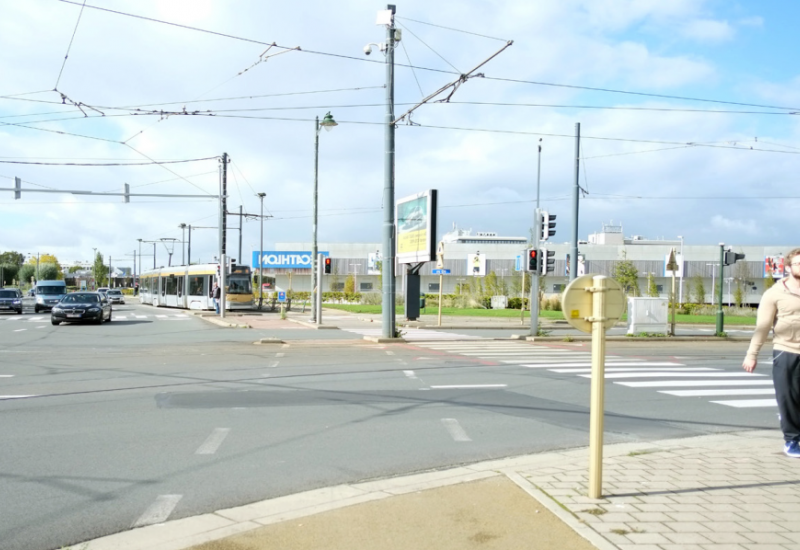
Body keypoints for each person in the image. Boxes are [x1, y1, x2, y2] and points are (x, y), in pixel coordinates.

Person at [743, 247, 800, 458]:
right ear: (789, 266)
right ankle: (792, 440)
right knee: (788, 398)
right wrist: (752, 354)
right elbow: (763, 327)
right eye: (798, 263)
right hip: (786, 351)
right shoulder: (774, 294)